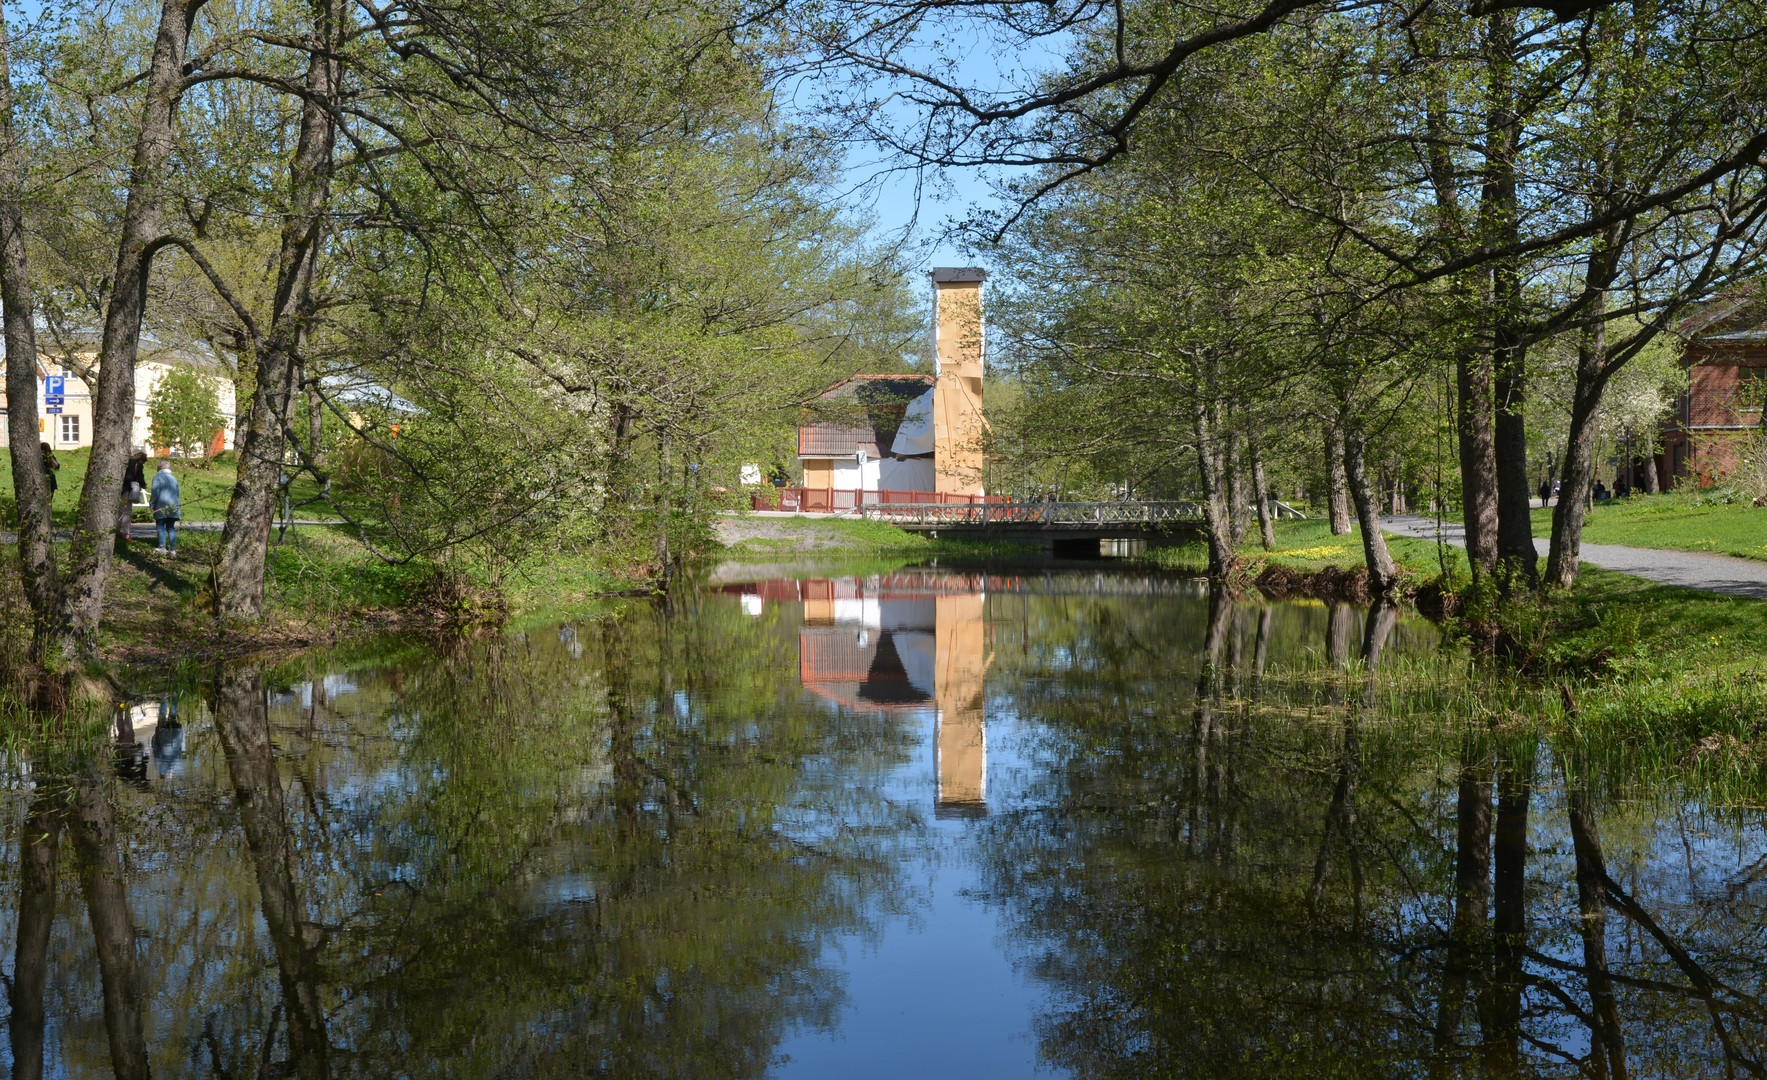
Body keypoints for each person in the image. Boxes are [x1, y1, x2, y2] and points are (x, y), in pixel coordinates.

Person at [150, 459, 181, 555]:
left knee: (160, 525)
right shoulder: (174, 478)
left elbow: (155, 491)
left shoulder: (157, 477)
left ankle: (162, 547)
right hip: (174, 506)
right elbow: (177, 493)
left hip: (161, 505)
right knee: (171, 527)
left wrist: (152, 504)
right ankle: (173, 549)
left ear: (159, 468)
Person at [118, 449, 148, 542]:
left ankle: (117, 531)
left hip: (120, 489)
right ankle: (125, 534)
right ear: (142, 460)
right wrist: (143, 485)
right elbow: (140, 477)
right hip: (128, 489)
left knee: (119, 510)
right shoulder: (138, 465)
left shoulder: (126, 462)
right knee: (127, 511)